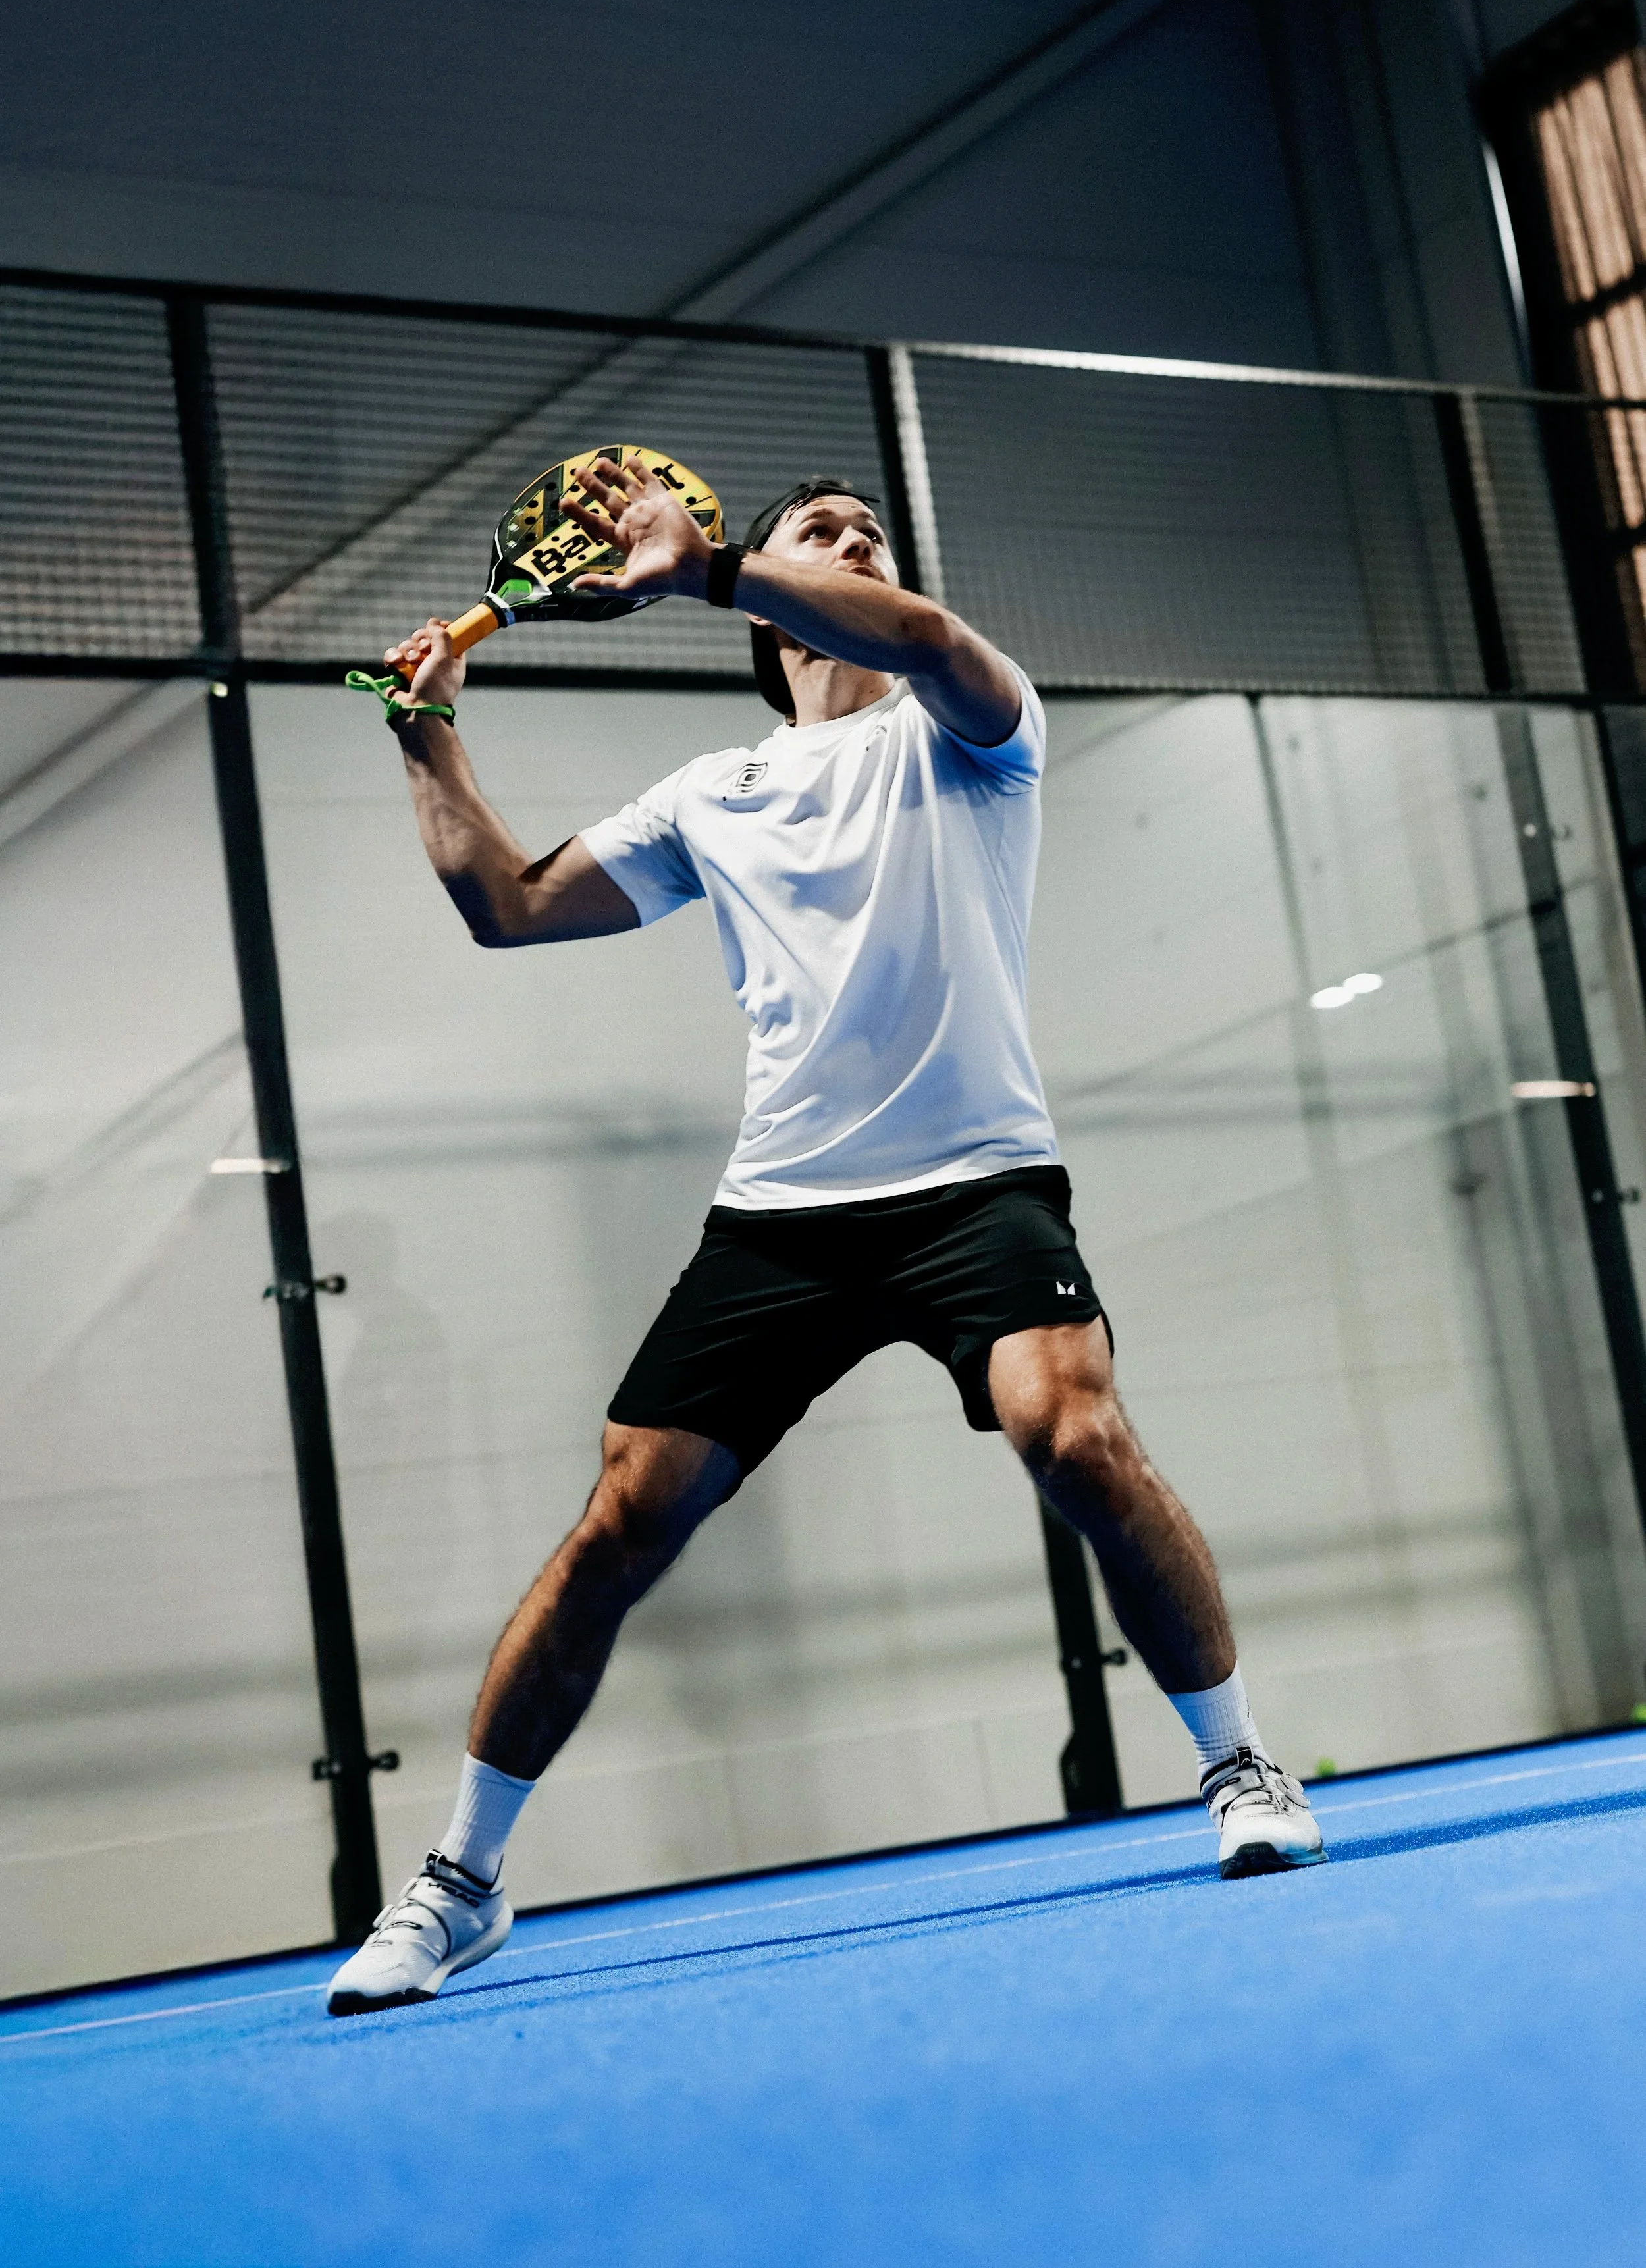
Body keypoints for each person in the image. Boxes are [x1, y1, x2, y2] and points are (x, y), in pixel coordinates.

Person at [326, 458, 1323, 2015]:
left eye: (867, 533)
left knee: (1070, 1433)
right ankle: (457, 1883)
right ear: (778, 616)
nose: (857, 544)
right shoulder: (708, 795)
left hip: (977, 1183)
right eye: (826, 533)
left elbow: (924, 629)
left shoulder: (969, 730)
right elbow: (507, 907)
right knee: (619, 1519)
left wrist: (707, 563)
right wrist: (428, 727)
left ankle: (1238, 1763)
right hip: (782, 1213)